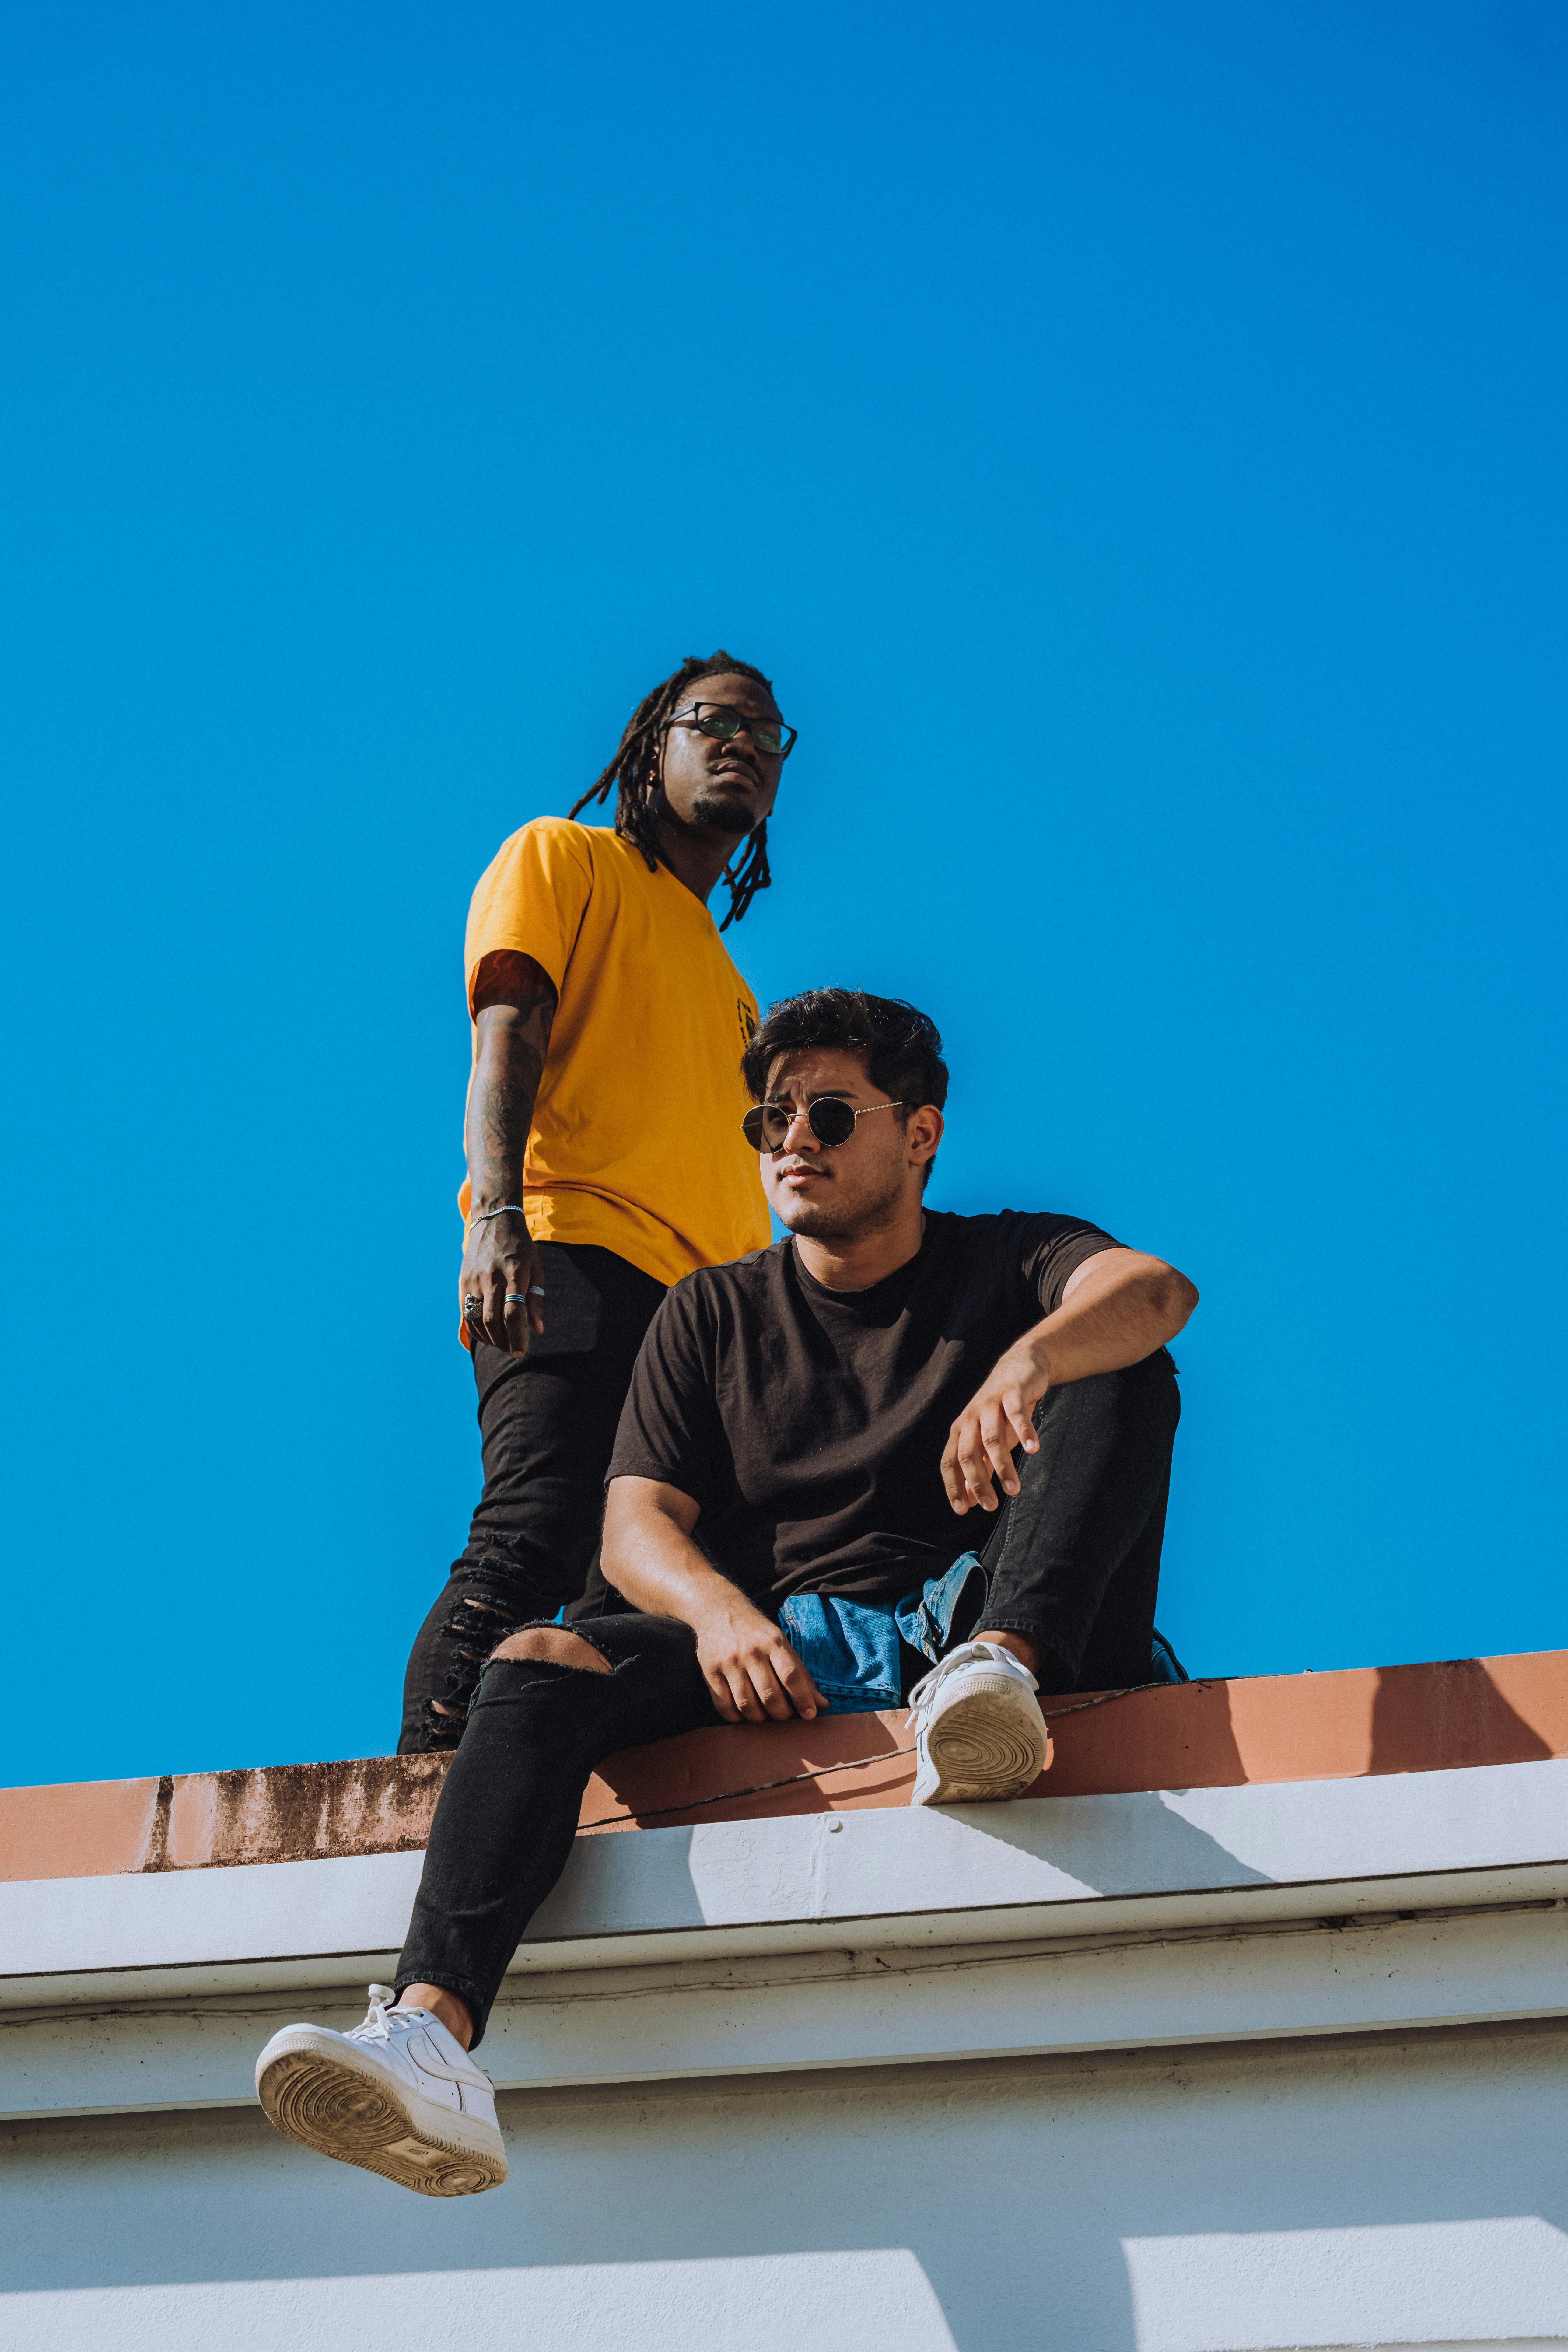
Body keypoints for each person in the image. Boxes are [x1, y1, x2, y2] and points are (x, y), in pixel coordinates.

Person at [258, 989, 1198, 2195]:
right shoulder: (711, 1312)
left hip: (983, 1618)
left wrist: (1033, 1354)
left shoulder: (1008, 1256)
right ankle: (435, 2043)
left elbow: (1158, 1287)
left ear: (919, 1135)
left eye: (828, 1112)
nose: (792, 1140)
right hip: (779, 1648)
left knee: (1119, 1359)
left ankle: (1000, 1675)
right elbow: (634, 1524)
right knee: (535, 1662)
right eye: (770, 1119)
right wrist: (718, 1616)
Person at [398, 652, 794, 1754]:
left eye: (768, 737)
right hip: (568, 1251)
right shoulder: (562, 857)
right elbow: (505, 1041)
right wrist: (494, 1218)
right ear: (649, 745)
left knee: (643, 1589)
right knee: (534, 1532)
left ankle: (549, 1809)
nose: (745, 747)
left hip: (705, 1327)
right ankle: (421, 1811)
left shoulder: (737, 989)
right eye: (714, 722)